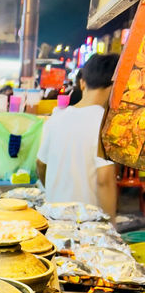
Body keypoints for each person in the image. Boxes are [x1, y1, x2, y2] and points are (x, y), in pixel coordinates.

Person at [37, 53, 120, 220]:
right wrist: (111, 225)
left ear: (83, 83)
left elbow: (40, 164)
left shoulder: (56, 118)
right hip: (88, 223)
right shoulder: (106, 124)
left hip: (54, 218)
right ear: (116, 85)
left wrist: (55, 193)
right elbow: (104, 180)